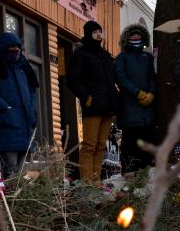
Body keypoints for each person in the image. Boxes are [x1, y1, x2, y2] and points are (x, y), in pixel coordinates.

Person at [0, 32, 38, 179]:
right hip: (6, 125)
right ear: (3, 48)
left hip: (25, 127)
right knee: (10, 172)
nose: (16, 50)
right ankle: (11, 201)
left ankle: (19, 200)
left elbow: (32, 90)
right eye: (12, 47)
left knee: (22, 174)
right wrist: (5, 108)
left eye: (18, 47)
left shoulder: (23, 68)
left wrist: (31, 110)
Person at [67, 21, 119, 183]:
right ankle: (88, 184)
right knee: (90, 145)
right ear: (88, 34)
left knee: (101, 146)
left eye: (100, 32)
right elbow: (73, 80)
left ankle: (96, 181)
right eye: (94, 32)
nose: (98, 35)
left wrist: (116, 102)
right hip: (92, 107)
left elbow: (112, 80)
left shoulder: (105, 56)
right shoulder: (81, 55)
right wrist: (85, 96)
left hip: (108, 108)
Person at [115, 23, 156, 173]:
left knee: (148, 142)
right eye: (133, 35)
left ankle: (147, 173)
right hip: (130, 110)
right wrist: (137, 92)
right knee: (131, 145)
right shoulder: (121, 58)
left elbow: (153, 76)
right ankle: (130, 174)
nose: (136, 37)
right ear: (127, 39)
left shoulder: (148, 58)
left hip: (148, 112)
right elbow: (121, 79)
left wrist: (151, 92)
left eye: (139, 35)